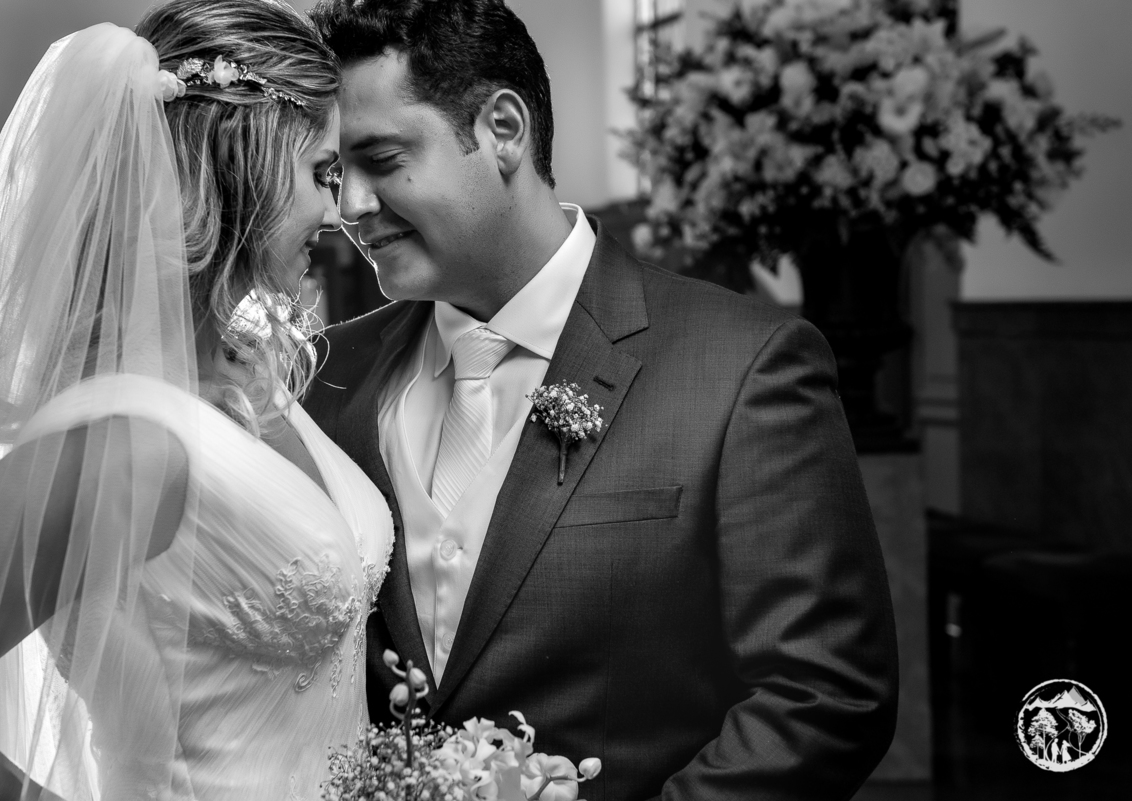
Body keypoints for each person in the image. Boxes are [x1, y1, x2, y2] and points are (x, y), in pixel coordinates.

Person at [305, 1, 898, 799]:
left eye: (381, 158)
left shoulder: (742, 367)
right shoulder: (325, 375)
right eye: (335, 173)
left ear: (503, 130)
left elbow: (823, 692)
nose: (350, 206)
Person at [0, 1, 392, 799]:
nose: (337, 211)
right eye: (322, 173)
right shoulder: (123, 438)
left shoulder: (249, 374)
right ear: (243, 162)